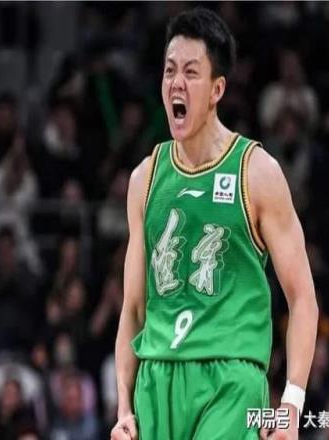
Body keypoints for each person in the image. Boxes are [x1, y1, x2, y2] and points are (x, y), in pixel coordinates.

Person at [112, 7, 318, 440]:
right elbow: (132, 309)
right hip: (156, 381)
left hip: (231, 382)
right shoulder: (144, 179)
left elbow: (302, 298)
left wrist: (291, 404)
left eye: (191, 72)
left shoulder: (256, 172)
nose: (176, 83)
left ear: (217, 89)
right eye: (169, 71)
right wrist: (124, 407)